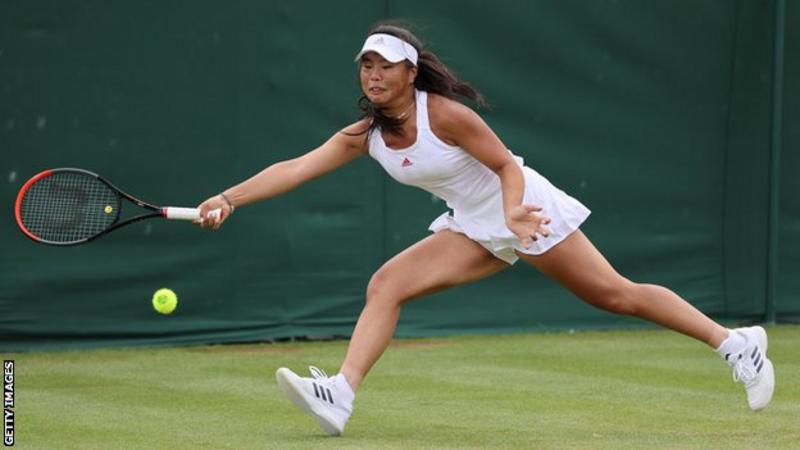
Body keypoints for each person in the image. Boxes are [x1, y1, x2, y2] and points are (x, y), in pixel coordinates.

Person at [197, 23, 775, 436]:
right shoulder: (366, 135)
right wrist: (228, 198)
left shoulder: (444, 115)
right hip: (472, 223)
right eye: (366, 66)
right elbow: (294, 169)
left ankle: (736, 345)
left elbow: (504, 165)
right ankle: (341, 395)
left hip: (522, 204)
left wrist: (517, 213)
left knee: (613, 294)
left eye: (385, 66)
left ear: (410, 72)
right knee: (387, 283)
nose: (373, 76)